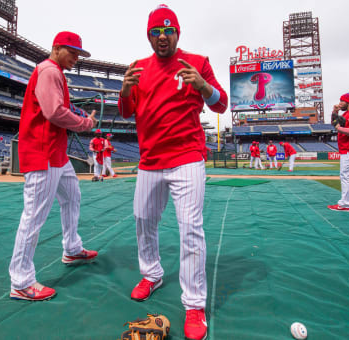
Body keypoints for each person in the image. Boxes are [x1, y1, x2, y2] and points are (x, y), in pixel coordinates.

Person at [118, 5, 228, 340]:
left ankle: (194, 304)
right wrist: (123, 91)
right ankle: (151, 274)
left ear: (177, 33)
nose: (162, 37)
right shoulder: (138, 68)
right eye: (156, 32)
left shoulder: (198, 62)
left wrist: (204, 87)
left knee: (190, 229)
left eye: (168, 31)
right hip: (150, 160)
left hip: (187, 157)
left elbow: (221, 103)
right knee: (142, 221)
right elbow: (127, 112)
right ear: (149, 35)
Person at [9, 31, 99, 302]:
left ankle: (72, 248)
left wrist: (77, 115)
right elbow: (54, 112)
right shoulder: (49, 70)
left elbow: (57, 109)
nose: (76, 57)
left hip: (56, 154)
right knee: (33, 216)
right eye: (71, 52)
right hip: (42, 153)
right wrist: (84, 123)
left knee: (72, 197)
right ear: (56, 48)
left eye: (78, 54)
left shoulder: (55, 71)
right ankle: (21, 281)